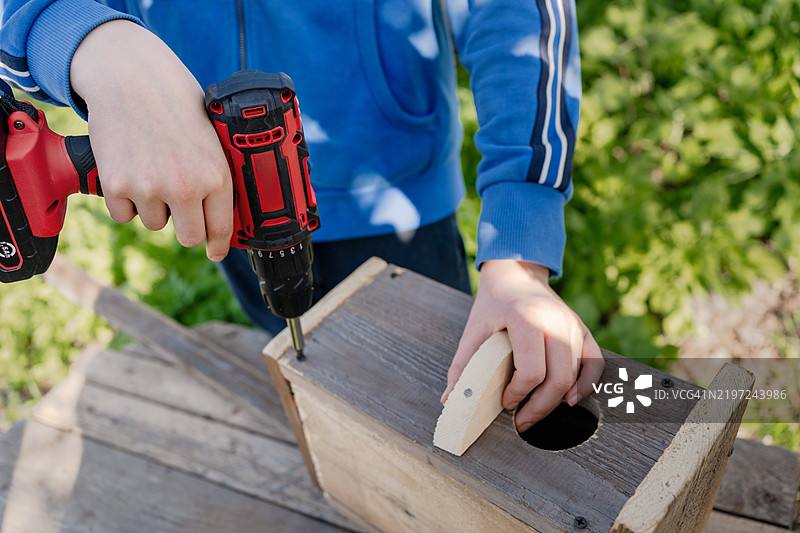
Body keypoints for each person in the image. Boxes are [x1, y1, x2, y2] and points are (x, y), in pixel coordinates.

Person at [1, 0, 603, 433]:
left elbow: (520, 14)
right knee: (315, 389)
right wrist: (90, 41)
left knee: (442, 417)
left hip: (397, 214)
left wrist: (518, 258)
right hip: (220, 200)